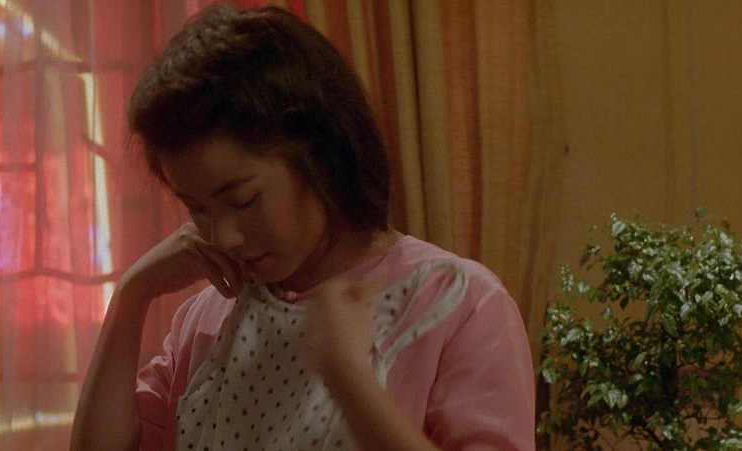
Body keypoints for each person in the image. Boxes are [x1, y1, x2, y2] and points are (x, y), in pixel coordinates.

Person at [70, 4, 535, 450]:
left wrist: (351, 384)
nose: (223, 237)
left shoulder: (457, 304)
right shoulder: (212, 316)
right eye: (198, 210)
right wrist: (132, 296)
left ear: (318, 153)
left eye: (243, 200)